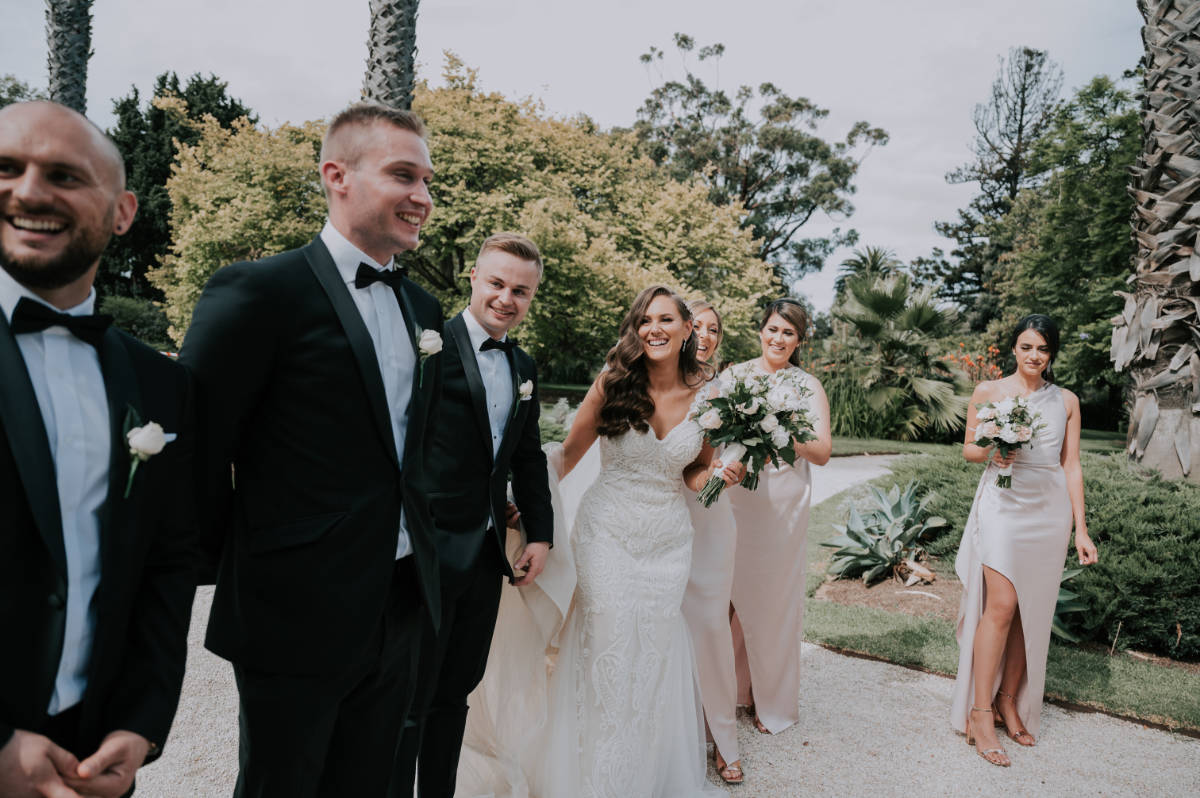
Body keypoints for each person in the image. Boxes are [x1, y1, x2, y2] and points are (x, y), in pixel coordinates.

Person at [180, 103, 442, 798]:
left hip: (400, 602)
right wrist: (249, 561)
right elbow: (197, 452)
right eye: (403, 175)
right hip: (293, 610)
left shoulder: (423, 310)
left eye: (428, 181)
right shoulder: (258, 292)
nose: (423, 197)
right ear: (337, 176)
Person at [0, 100, 196, 798]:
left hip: (94, 762)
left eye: (62, 174)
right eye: (7, 168)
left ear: (122, 212)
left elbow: (167, 564)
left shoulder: (159, 383)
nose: (27, 191)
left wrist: (142, 724)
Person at [391, 233, 552, 797]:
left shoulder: (524, 364)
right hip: (425, 552)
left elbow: (527, 457)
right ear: (474, 279)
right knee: (411, 693)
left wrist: (541, 533)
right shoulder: (426, 347)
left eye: (521, 291)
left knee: (456, 690)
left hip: (486, 557)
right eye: (498, 284)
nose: (507, 298)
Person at [950, 314, 1097, 767]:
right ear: (1013, 348)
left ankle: (1008, 701)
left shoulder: (1067, 400)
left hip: (1048, 512)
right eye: (1026, 346)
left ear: (1052, 354)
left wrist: (1081, 529)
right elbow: (970, 450)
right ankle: (978, 714)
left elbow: (1070, 465)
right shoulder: (989, 391)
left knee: (1030, 611)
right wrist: (997, 446)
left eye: (1043, 349)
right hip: (1003, 506)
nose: (1034, 356)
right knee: (1001, 607)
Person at [727, 298, 831, 736]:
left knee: (773, 600)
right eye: (773, 329)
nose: (778, 338)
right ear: (761, 331)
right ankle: (729, 688)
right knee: (726, 596)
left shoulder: (809, 387)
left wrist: (780, 427)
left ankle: (770, 699)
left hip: (783, 500)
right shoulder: (736, 375)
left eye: (789, 333)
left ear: (799, 340)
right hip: (736, 496)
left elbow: (822, 452)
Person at [680, 299, 742, 784]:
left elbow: (720, 455)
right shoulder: (650, 380)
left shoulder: (723, 392)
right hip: (660, 516)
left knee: (710, 624)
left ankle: (722, 736)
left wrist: (732, 467)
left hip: (710, 516)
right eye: (696, 326)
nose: (704, 335)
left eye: (713, 329)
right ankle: (671, 733)